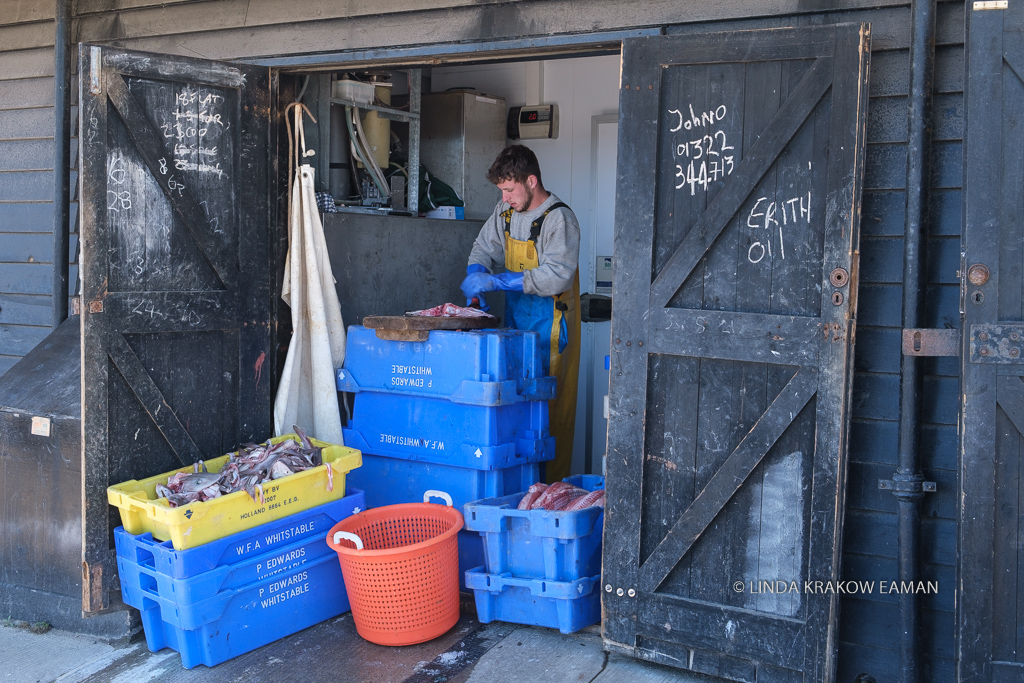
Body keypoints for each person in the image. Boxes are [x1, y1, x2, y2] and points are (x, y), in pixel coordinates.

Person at [460, 145, 581, 483]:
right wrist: (476, 279)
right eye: (501, 190)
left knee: (549, 417)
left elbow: (557, 274)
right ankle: (519, 488)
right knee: (516, 413)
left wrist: (497, 280)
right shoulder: (506, 213)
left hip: (552, 333)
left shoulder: (560, 219)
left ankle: (552, 493)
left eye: (510, 189)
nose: (506, 197)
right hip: (515, 331)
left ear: (531, 181)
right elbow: (484, 247)